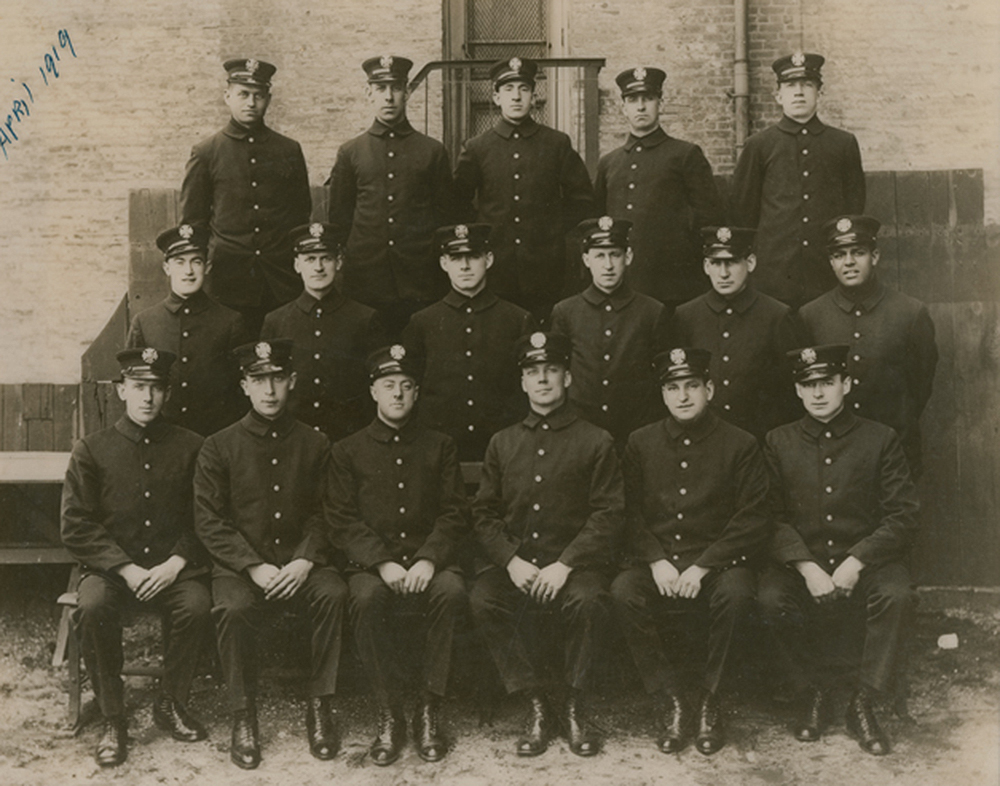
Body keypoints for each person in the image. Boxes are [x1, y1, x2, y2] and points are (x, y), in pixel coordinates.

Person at [759, 344, 919, 755]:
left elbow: (902, 515)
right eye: (808, 384)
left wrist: (858, 559)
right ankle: (810, 692)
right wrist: (806, 566)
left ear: (846, 384)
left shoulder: (880, 438)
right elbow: (767, 517)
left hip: (867, 561)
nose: (817, 393)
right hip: (803, 563)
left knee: (896, 594)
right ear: (797, 391)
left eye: (827, 383)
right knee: (768, 598)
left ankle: (863, 701)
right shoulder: (778, 441)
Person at [194, 339, 346, 769]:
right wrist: (253, 566)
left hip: (303, 563)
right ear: (244, 386)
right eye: (259, 380)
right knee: (233, 608)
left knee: (333, 594)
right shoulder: (219, 446)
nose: (270, 390)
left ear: (291, 381)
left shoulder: (316, 444)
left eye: (277, 378)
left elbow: (326, 511)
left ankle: (320, 705)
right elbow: (209, 521)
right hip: (242, 567)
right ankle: (243, 716)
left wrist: (304, 560)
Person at [470, 331, 623, 757]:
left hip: (573, 568)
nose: (542, 380)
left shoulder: (595, 440)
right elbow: (483, 513)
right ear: (522, 382)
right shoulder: (503, 442)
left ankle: (573, 704)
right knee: (484, 599)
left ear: (568, 378)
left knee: (589, 602)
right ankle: (536, 702)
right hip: (519, 566)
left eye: (551, 371)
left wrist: (567, 563)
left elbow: (608, 513)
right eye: (533, 373)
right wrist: (510, 560)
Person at [611, 347, 769, 755]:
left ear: (710, 389)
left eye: (692, 386)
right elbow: (625, 512)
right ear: (663, 395)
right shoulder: (641, 442)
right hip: (656, 561)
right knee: (623, 592)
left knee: (737, 595)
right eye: (673, 387)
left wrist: (703, 566)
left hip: (716, 562)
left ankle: (710, 700)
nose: (683, 396)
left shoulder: (741, 444)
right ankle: (671, 698)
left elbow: (752, 517)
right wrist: (656, 559)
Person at [61, 348, 211, 767]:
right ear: (121, 390)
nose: (148, 397)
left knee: (198, 605)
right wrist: (124, 568)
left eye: (156, 388)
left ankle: (172, 702)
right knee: (91, 605)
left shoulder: (192, 447)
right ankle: (113, 717)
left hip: (171, 570)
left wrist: (176, 563)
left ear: (166, 393)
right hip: (112, 573)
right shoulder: (91, 450)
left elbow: (205, 517)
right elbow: (76, 524)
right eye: (139, 387)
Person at [324, 344, 469, 765]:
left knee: (452, 592)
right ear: (373, 392)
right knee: (365, 599)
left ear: (417, 393)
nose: (399, 394)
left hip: (430, 562)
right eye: (389, 386)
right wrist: (382, 562)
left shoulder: (439, 445)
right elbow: (342, 519)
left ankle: (428, 708)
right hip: (373, 566)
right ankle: (389, 712)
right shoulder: (348, 450)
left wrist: (428, 558)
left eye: (407, 386)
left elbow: (454, 511)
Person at [454, 57, 595, 321]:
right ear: (496, 97)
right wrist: (483, 236)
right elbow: (457, 202)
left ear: (533, 95)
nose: (516, 97)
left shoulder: (556, 144)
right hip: (495, 268)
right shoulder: (477, 148)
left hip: (546, 266)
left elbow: (582, 200)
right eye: (508, 90)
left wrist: (552, 229)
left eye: (523, 89)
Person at [798, 215, 938, 477]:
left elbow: (920, 385)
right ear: (831, 262)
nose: (849, 262)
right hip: (833, 450)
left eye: (858, 252)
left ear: (874, 256)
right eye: (839, 255)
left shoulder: (910, 313)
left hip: (895, 448)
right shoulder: (811, 316)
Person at [181, 59, 312, 333]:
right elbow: (194, 222)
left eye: (258, 95)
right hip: (229, 279)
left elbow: (300, 214)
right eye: (243, 94)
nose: (251, 102)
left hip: (280, 280)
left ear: (268, 99)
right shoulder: (206, 152)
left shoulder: (288, 150)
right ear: (227, 96)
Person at [327, 55, 454, 335]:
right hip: (367, 281)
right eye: (381, 89)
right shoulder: (351, 152)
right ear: (368, 93)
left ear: (407, 93)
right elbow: (339, 218)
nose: (389, 97)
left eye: (396, 88)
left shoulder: (432, 151)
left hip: (420, 281)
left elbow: (446, 216)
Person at [731, 52, 866, 308]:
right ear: (779, 95)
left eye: (807, 85)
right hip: (774, 275)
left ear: (820, 93)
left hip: (827, 273)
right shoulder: (759, 145)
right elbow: (742, 212)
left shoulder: (842, 144)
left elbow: (854, 205)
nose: (799, 92)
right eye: (791, 86)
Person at [402, 223, 535, 460]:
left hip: (504, 446)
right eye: (455, 259)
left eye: (473, 257)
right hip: (439, 446)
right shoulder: (423, 322)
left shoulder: (517, 319)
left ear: (489, 259)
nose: (464, 266)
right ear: (444, 264)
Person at [594, 67, 723, 309]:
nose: (641, 107)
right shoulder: (609, 163)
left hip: (673, 284)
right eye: (633, 100)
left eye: (648, 99)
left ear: (660, 103)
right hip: (624, 284)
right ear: (624, 108)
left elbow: (709, 218)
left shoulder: (685, 155)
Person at [672, 226, 802, 440]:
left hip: (759, 437)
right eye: (716, 263)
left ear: (750, 263)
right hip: (702, 440)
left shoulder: (777, 316)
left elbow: (789, 391)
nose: (723, 273)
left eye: (731, 262)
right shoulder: (686, 316)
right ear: (706, 266)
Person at [261, 222, 386, 442]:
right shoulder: (276, 321)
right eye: (310, 259)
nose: (318, 267)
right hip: (293, 440)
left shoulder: (365, 319)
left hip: (350, 437)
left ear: (338, 262)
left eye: (325, 258)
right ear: (297, 265)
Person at [550, 216, 669, 445]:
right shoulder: (566, 312)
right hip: (580, 433)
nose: (608, 265)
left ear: (628, 257)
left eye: (615, 255)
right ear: (586, 259)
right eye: (599, 256)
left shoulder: (652, 312)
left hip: (636, 433)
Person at [127, 224, 250, 436]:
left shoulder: (230, 321)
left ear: (207, 267)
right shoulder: (145, 323)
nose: (189, 271)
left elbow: (242, 391)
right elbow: (133, 389)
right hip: (162, 440)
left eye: (196, 262)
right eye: (179, 262)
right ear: (167, 268)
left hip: (213, 438)